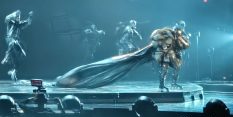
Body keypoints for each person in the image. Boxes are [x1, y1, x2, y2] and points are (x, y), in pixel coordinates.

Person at [56, 25, 190, 89]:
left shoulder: (175, 38)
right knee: (115, 65)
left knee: (171, 66)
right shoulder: (165, 34)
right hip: (150, 53)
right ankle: (72, 78)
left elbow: (182, 46)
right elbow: (156, 41)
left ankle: (168, 83)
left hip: (152, 54)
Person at [1, 10, 33, 81]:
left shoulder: (19, 23)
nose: (18, 17)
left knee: (18, 57)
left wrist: (30, 16)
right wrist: (14, 15)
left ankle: (14, 70)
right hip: (9, 38)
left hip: (16, 40)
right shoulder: (11, 22)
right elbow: (7, 19)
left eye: (19, 16)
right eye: (17, 16)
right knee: (13, 43)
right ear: (14, 16)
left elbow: (27, 22)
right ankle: (6, 58)